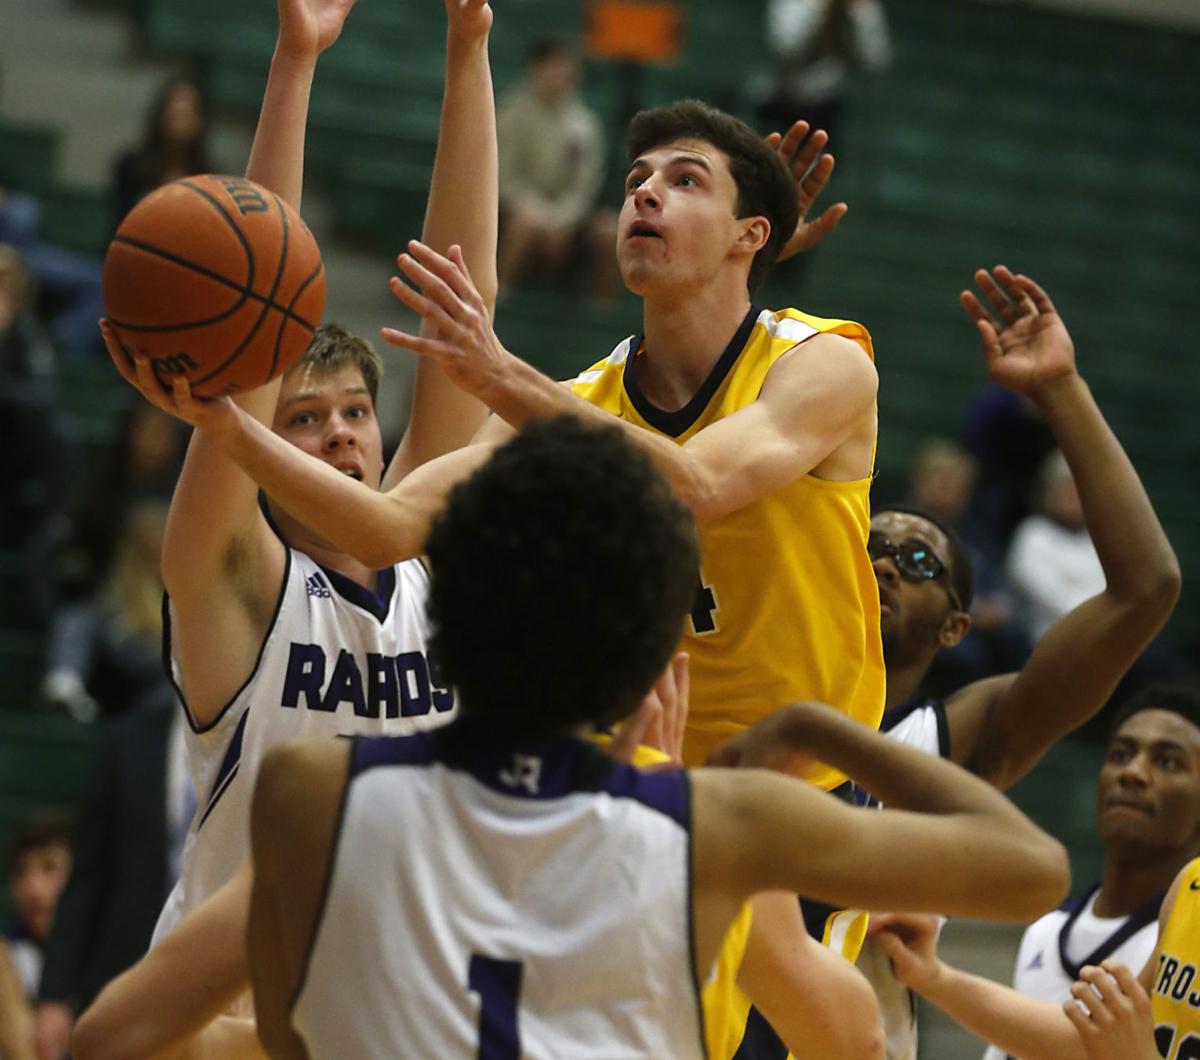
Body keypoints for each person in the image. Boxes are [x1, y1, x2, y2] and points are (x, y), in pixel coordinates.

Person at [245, 414, 1068, 1059]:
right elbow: (1031, 871)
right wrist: (821, 719)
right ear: (655, 664)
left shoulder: (308, 791)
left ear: (445, 611)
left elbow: (283, 1038)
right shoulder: (710, 830)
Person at [193, 99, 873, 785]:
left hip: (815, 786)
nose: (644, 190)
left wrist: (502, 374)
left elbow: (700, 485)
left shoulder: (824, 362)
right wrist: (225, 424)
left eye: (685, 180)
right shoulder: (572, 404)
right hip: (640, 791)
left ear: (751, 235)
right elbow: (387, 531)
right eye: (637, 178)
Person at [99, 0, 498, 951]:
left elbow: (460, 308)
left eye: (355, 414)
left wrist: (470, 48)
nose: (339, 438)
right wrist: (294, 65)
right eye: (304, 420)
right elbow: (254, 305)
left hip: (388, 1007)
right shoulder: (234, 584)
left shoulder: (427, 560)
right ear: (262, 451)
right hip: (227, 1011)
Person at [721, 266, 1180, 1060]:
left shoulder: (945, 739)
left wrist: (1060, 389)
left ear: (956, 629)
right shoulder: (754, 676)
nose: (889, 566)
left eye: (919, 562)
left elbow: (1145, 589)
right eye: (873, 549)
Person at [873, 717, 1200, 1060]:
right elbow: (1086, 1044)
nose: (1133, 773)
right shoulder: (1190, 886)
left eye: (1167, 762)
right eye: (1119, 754)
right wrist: (934, 976)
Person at [32, 687, 191, 1060]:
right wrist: (54, 993)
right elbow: (87, 877)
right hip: (122, 969)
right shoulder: (126, 740)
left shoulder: (262, 735)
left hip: (219, 970)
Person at [496, 38, 607, 292]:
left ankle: (602, 316)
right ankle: (499, 298)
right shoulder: (511, 114)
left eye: (566, 67)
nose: (560, 74)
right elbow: (505, 178)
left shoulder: (585, 124)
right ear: (535, 68)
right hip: (518, 212)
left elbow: (584, 187)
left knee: (610, 233)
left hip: (568, 219)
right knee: (522, 227)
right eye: (553, 65)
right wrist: (538, 216)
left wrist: (560, 221)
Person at [113, 77, 214, 227]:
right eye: (174, 114)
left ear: (200, 120)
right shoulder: (131, 166)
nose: (178, 122)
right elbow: (119, 221)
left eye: (186, 115)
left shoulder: (209, 178)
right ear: (160, 116)